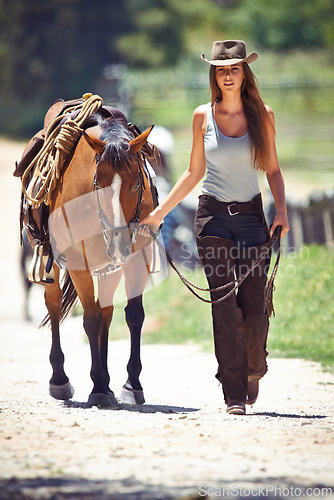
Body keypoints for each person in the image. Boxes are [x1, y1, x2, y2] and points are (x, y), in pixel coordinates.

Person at [139, 40, 289, 415]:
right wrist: (159, 213)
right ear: (215, 75)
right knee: (224, 306)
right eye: (221, 69)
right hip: (213, 219)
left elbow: (272, 168)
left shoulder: (263, 116)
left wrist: (281, 211)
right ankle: (233, 393)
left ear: (244, 73)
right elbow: (193, 173)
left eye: (234, 68)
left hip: (253, 219)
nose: (227, 74)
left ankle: (253, 368)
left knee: (254, 307)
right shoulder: (201, 116)